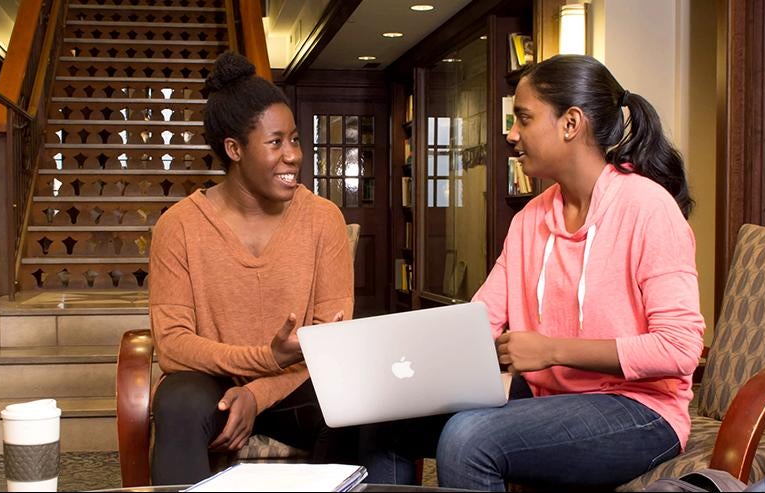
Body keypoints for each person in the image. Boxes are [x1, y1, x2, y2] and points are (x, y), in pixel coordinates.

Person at [359, 55, 705, 490]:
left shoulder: (648, 208)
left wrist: (551, 350)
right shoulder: (530, 218)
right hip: (550, 396)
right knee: (383, 424)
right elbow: (481, 319)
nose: (511, 134)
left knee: (469, 438)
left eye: (523, 118)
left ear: (570, 123)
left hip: (641, 410)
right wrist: (399, 365)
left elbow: (679, 349)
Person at [147, 51, 354, 485]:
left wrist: (256, 395)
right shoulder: (179, 226)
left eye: (295, 140)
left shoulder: (323, 219)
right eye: (276, 142)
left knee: (353, 403)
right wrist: (264, 358)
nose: (293, 156)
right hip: (212, 385)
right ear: (234, 149)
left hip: (295, 386)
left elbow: (330, 340)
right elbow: (173, 345)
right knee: (178, 403)